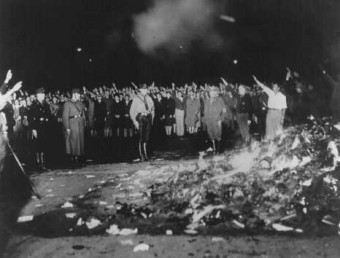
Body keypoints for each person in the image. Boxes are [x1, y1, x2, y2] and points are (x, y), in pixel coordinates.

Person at [253, 76, 287, 140]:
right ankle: (269, 143)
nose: (273, 88)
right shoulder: (270, 93)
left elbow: (284, 108)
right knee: (269, 128)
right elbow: (262, 86)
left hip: (278, 113)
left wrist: (282, 117)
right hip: (270, 113)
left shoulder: (282, 96)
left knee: (278, 129)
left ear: (278, 88)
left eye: (275, 87)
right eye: (273, 87)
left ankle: (279, 143)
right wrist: (256, 80)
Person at [129, 84, 155, 161]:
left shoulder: (149, 98)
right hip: (140, 118)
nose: (144, 90)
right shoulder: (136, 98)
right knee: (140, 137)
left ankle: (146, 154)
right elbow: (131, 111)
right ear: (140, 90)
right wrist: (134, 121)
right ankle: (141, 155)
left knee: (146, 137)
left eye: (145, 89)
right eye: (143, 89)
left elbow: (153, 109)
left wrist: (152, 119)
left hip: (147, 118)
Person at [62, 88, 86, 167]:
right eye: (78, 94)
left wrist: (84, 122)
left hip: (80, 123)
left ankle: (79, 157)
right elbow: (65, 116)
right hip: (72, 123)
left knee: (80, 141)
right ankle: (73, 158)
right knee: (73, 141)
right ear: (74, 94)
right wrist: (67, 127)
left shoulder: (80, 103)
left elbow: (83, 114)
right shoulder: (67, 103)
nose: (79, 95)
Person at [30, 88, 51, 170]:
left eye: (44, 94)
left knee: (44, 145)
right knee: (38, 146)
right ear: (38, 95)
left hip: (45, 127)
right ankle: (39, 164)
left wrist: (46, 119)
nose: (43, 95)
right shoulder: (34, 105)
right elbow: (31, 119)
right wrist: (33, 129)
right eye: (42, 94)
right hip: (37, 128)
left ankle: (43, 163)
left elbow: (49, 115)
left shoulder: (46, 105)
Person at [202, 86, 225, 154]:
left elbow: (224, 111)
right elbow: (205, 111)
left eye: (212, 91)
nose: (211, 93)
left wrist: (221, 119)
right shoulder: (207, 100)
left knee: (218, 135)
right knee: (210, 135)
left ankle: (218, 150)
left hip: (216, 120)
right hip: (209, 121)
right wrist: (205, 120)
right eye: (210, 91)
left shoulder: (219, 100)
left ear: (215, 92)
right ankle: (214, 149)